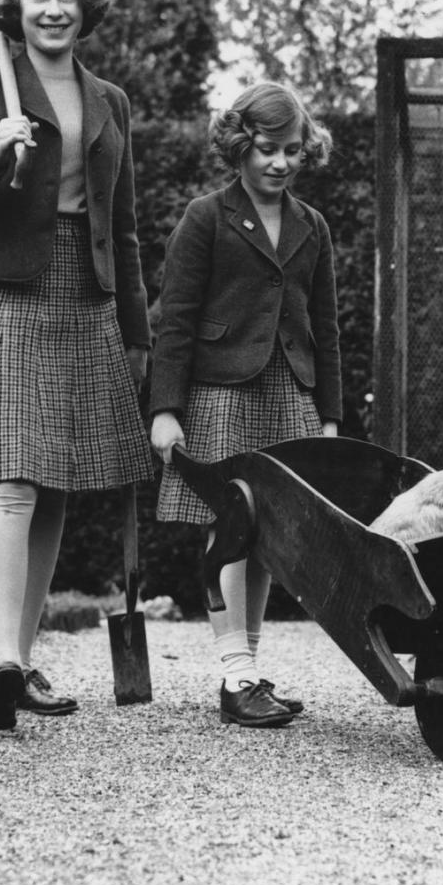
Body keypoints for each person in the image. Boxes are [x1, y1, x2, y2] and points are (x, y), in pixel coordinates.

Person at [0, 0, 153, 732]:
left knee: (54, 480)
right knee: (15, 478)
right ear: (15, 8)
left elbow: (122, 230)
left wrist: (136, 335)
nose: (53, 9)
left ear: (84, 6)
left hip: (83, 297)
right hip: (6, 294)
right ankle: (2, 660)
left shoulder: (111, 102)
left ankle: (19, 660)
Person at [150, 82, 341, 728]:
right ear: (240, 145)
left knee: (265, 537)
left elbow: (326, 326)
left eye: (291, 150)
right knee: (230, 526)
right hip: (221, 392)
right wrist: (165, 408)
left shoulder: (312, 226)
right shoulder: (206, 216)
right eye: (266, 149)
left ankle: (249, 674)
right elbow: (174, 318)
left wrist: (330, 414)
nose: (279, 163)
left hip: (287, 394)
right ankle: (234, 675)